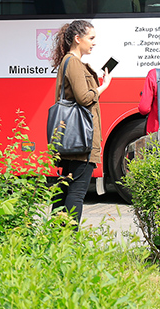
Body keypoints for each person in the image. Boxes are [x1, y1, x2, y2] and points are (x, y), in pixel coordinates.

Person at [50, 20, 111, 224]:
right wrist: (104, 86)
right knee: (75, 194)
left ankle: (56, 239)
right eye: (91, 38)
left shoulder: (71, 62)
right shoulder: (73, 62)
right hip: (81, 141)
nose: (94, 43)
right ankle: (69, 243)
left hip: (72, 139)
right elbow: (84, 98)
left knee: (63, 192)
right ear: (78, 39)